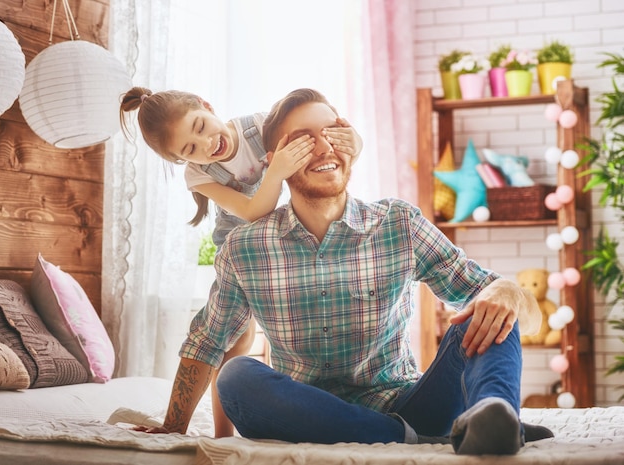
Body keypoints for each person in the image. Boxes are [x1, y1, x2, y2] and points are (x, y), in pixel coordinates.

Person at [140, 88, 553, 455]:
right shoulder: (244, 249)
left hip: (410, 401)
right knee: (236, 375)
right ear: (274, 162)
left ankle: (495, 421)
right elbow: (207, 341)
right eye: (303, 140)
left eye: (331, 133)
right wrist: (173, 425)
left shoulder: (398, 223)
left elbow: (511, 305)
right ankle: (412, 439)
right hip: (304, 411)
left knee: (493, 303)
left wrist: (505, 296)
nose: (323, 148)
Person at [119, 87, 363, 437]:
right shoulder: (199, 176)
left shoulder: (263, 125)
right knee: (234, 341)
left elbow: (347, 144)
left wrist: (349, 138)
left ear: (207, 105)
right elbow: (251, 212)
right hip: (241, 245)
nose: (205, 144)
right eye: (189, 149)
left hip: (285, 238)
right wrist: (275, 171)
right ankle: (221, 434)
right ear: (179, 160)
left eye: (201, 126)